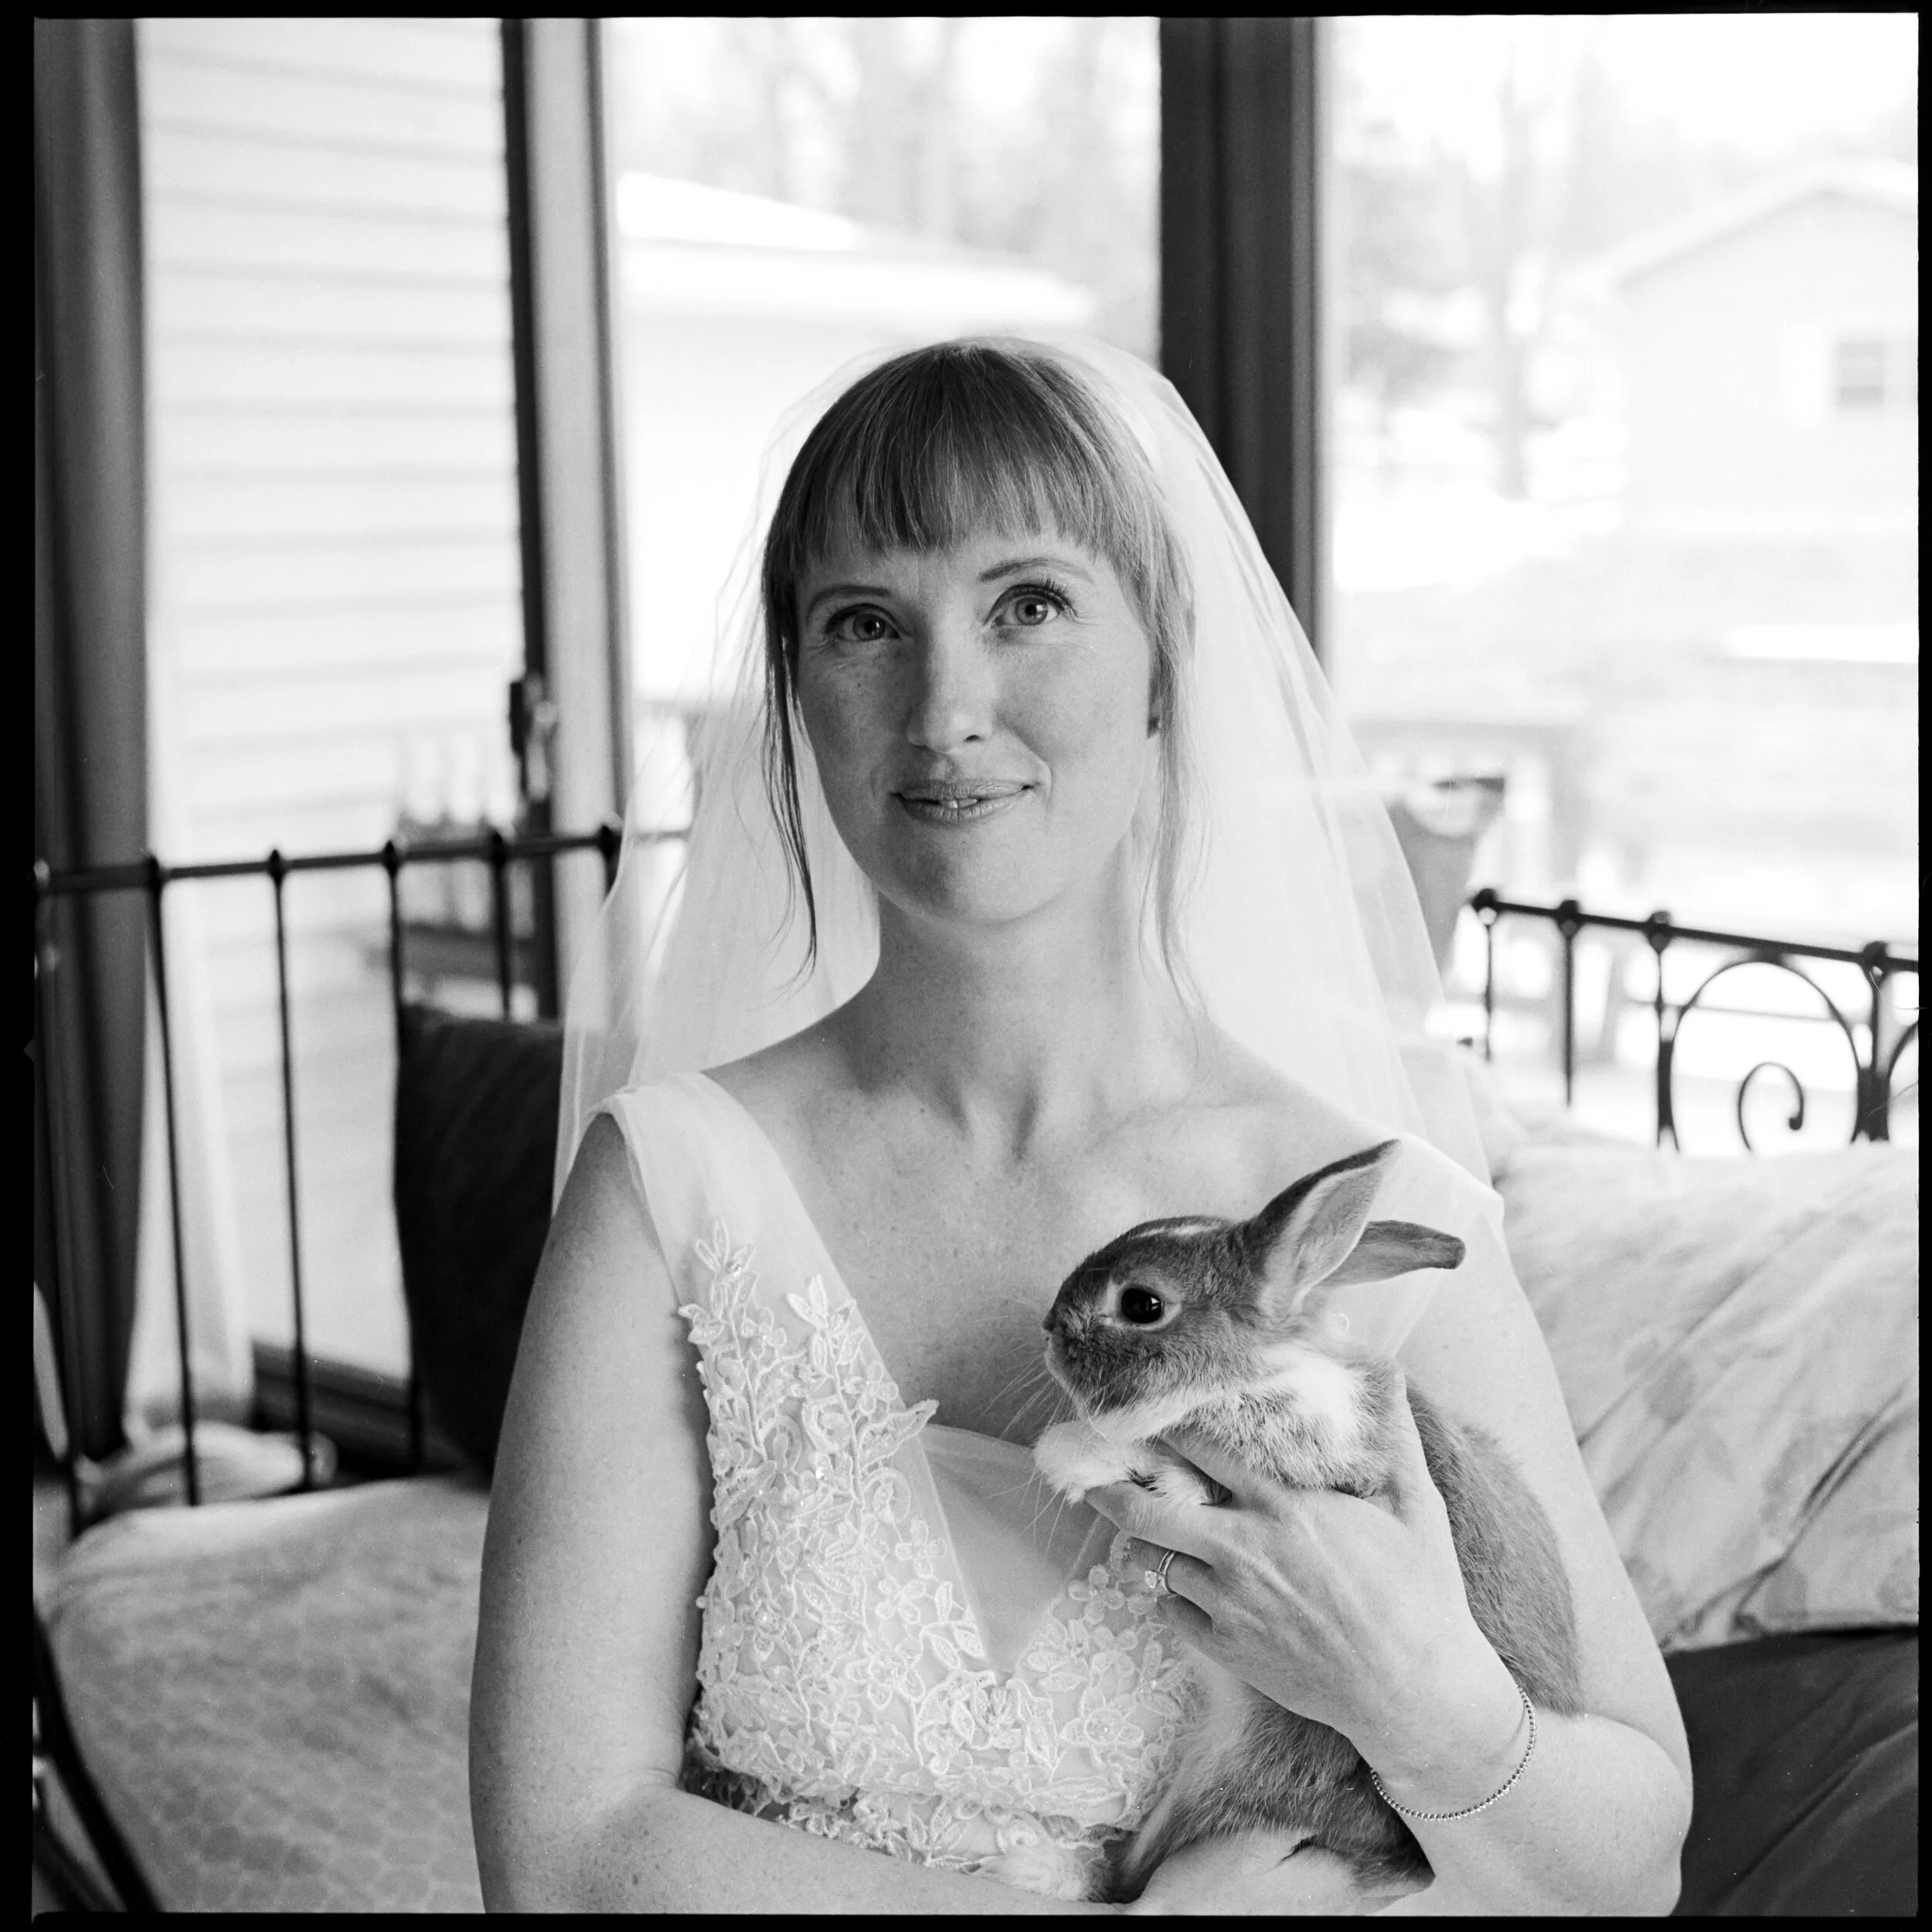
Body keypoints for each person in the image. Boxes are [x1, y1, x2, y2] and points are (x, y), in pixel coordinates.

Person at [469, 338, 1692, 1913]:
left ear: (1167, 663)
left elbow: (1634, 1863)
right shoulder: (670, 1184)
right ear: (794, 692)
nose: (944, 706)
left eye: (1026, 604)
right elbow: (563, 1853)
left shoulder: (1389, 1215)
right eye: (862, 624)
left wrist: (1420, 1696)